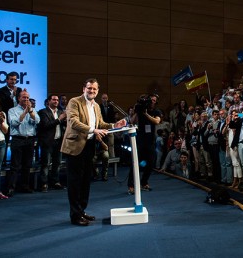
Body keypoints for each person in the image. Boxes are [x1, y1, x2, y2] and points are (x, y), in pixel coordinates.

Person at [60, 78, 126, 226]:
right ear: (84, 88)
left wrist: (115, 125)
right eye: (89, 88)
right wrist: (93, 130)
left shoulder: (96, 106)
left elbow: (100, 124)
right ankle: (75, 216)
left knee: (85, 181)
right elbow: (73, 122)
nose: (92, 91)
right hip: (75, 146)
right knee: (75, 182)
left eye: (94, 89)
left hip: (89, 146)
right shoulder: (74, 102)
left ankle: (82, 210)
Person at [6, 90, 40, 196]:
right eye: (24, 97)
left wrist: (30, 112)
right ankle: (11, 188)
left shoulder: (33, 110)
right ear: (18, 98)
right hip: (18, 139)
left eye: (27, 98)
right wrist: (25, 112)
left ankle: (25, 186)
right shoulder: (12, 110)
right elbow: (14, 123)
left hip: (29, 140)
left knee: (27, 165)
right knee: (15, 165)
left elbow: (37, 121)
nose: (26, 100)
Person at [128, 94, 162, 192]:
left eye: (154, 100)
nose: (152, 101)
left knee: (150, 163)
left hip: (150, 141)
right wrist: (137, 111)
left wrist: (146, 114)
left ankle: (144, 182)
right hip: (140, 141)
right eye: (151, 99)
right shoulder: (140, 110)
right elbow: (131, 122)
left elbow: (156, 121)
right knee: (135, 163)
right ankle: (131, 186)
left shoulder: (156, 111)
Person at [37, 94, 67, 191]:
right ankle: (44, 184)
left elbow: (63, 125)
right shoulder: (43, 112)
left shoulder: (60, 111)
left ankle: (55, 182)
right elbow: (46, 125)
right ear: (48, 101)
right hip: (48, 142)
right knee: (45, 164)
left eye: (57, 100)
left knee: (57, 163)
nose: (56, 101)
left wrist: (65, 120)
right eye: (54, 100)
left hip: (59, 141)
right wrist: (59, 119)